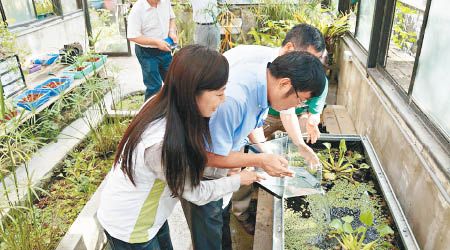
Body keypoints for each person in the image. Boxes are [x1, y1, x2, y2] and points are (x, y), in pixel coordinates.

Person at [97, 45, 265, 250]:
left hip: (150, 215)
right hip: (131, 226)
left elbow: (187, 161)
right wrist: (239, 180)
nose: (224, 100)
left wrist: (221, 170)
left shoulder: (164, 105)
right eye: (219, 93)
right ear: (193, 91)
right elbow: (197, 193)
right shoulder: (160, 144)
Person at [181, 51, 326, 249]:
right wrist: (259, 161)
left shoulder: (263, 83)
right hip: (201, 179)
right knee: (208, 236)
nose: (299, 106)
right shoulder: (234, 99)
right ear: (285, 84)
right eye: (301, 100)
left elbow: (251, 124)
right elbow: (207, 156)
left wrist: (267, 154)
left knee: (221, 225)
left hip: (221, 174)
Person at [223, 24, 329, 234]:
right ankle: (238, 213)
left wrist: (295, 146)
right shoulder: (252, 78)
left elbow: (263, 119)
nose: (310, 67)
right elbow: (213, 153)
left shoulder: (275, 78)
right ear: (290, 49)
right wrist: (256, 160)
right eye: (308, 58)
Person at [127, 0, 178, 100]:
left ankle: (173, 110)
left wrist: (171, 31)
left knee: (173, 81)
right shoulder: (138, 9)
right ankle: (151, 114)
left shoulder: (165, 2)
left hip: (165, 48)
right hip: (146, 52)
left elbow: (171, 18)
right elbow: (132, 36)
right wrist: (156, 42)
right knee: (154, 86)